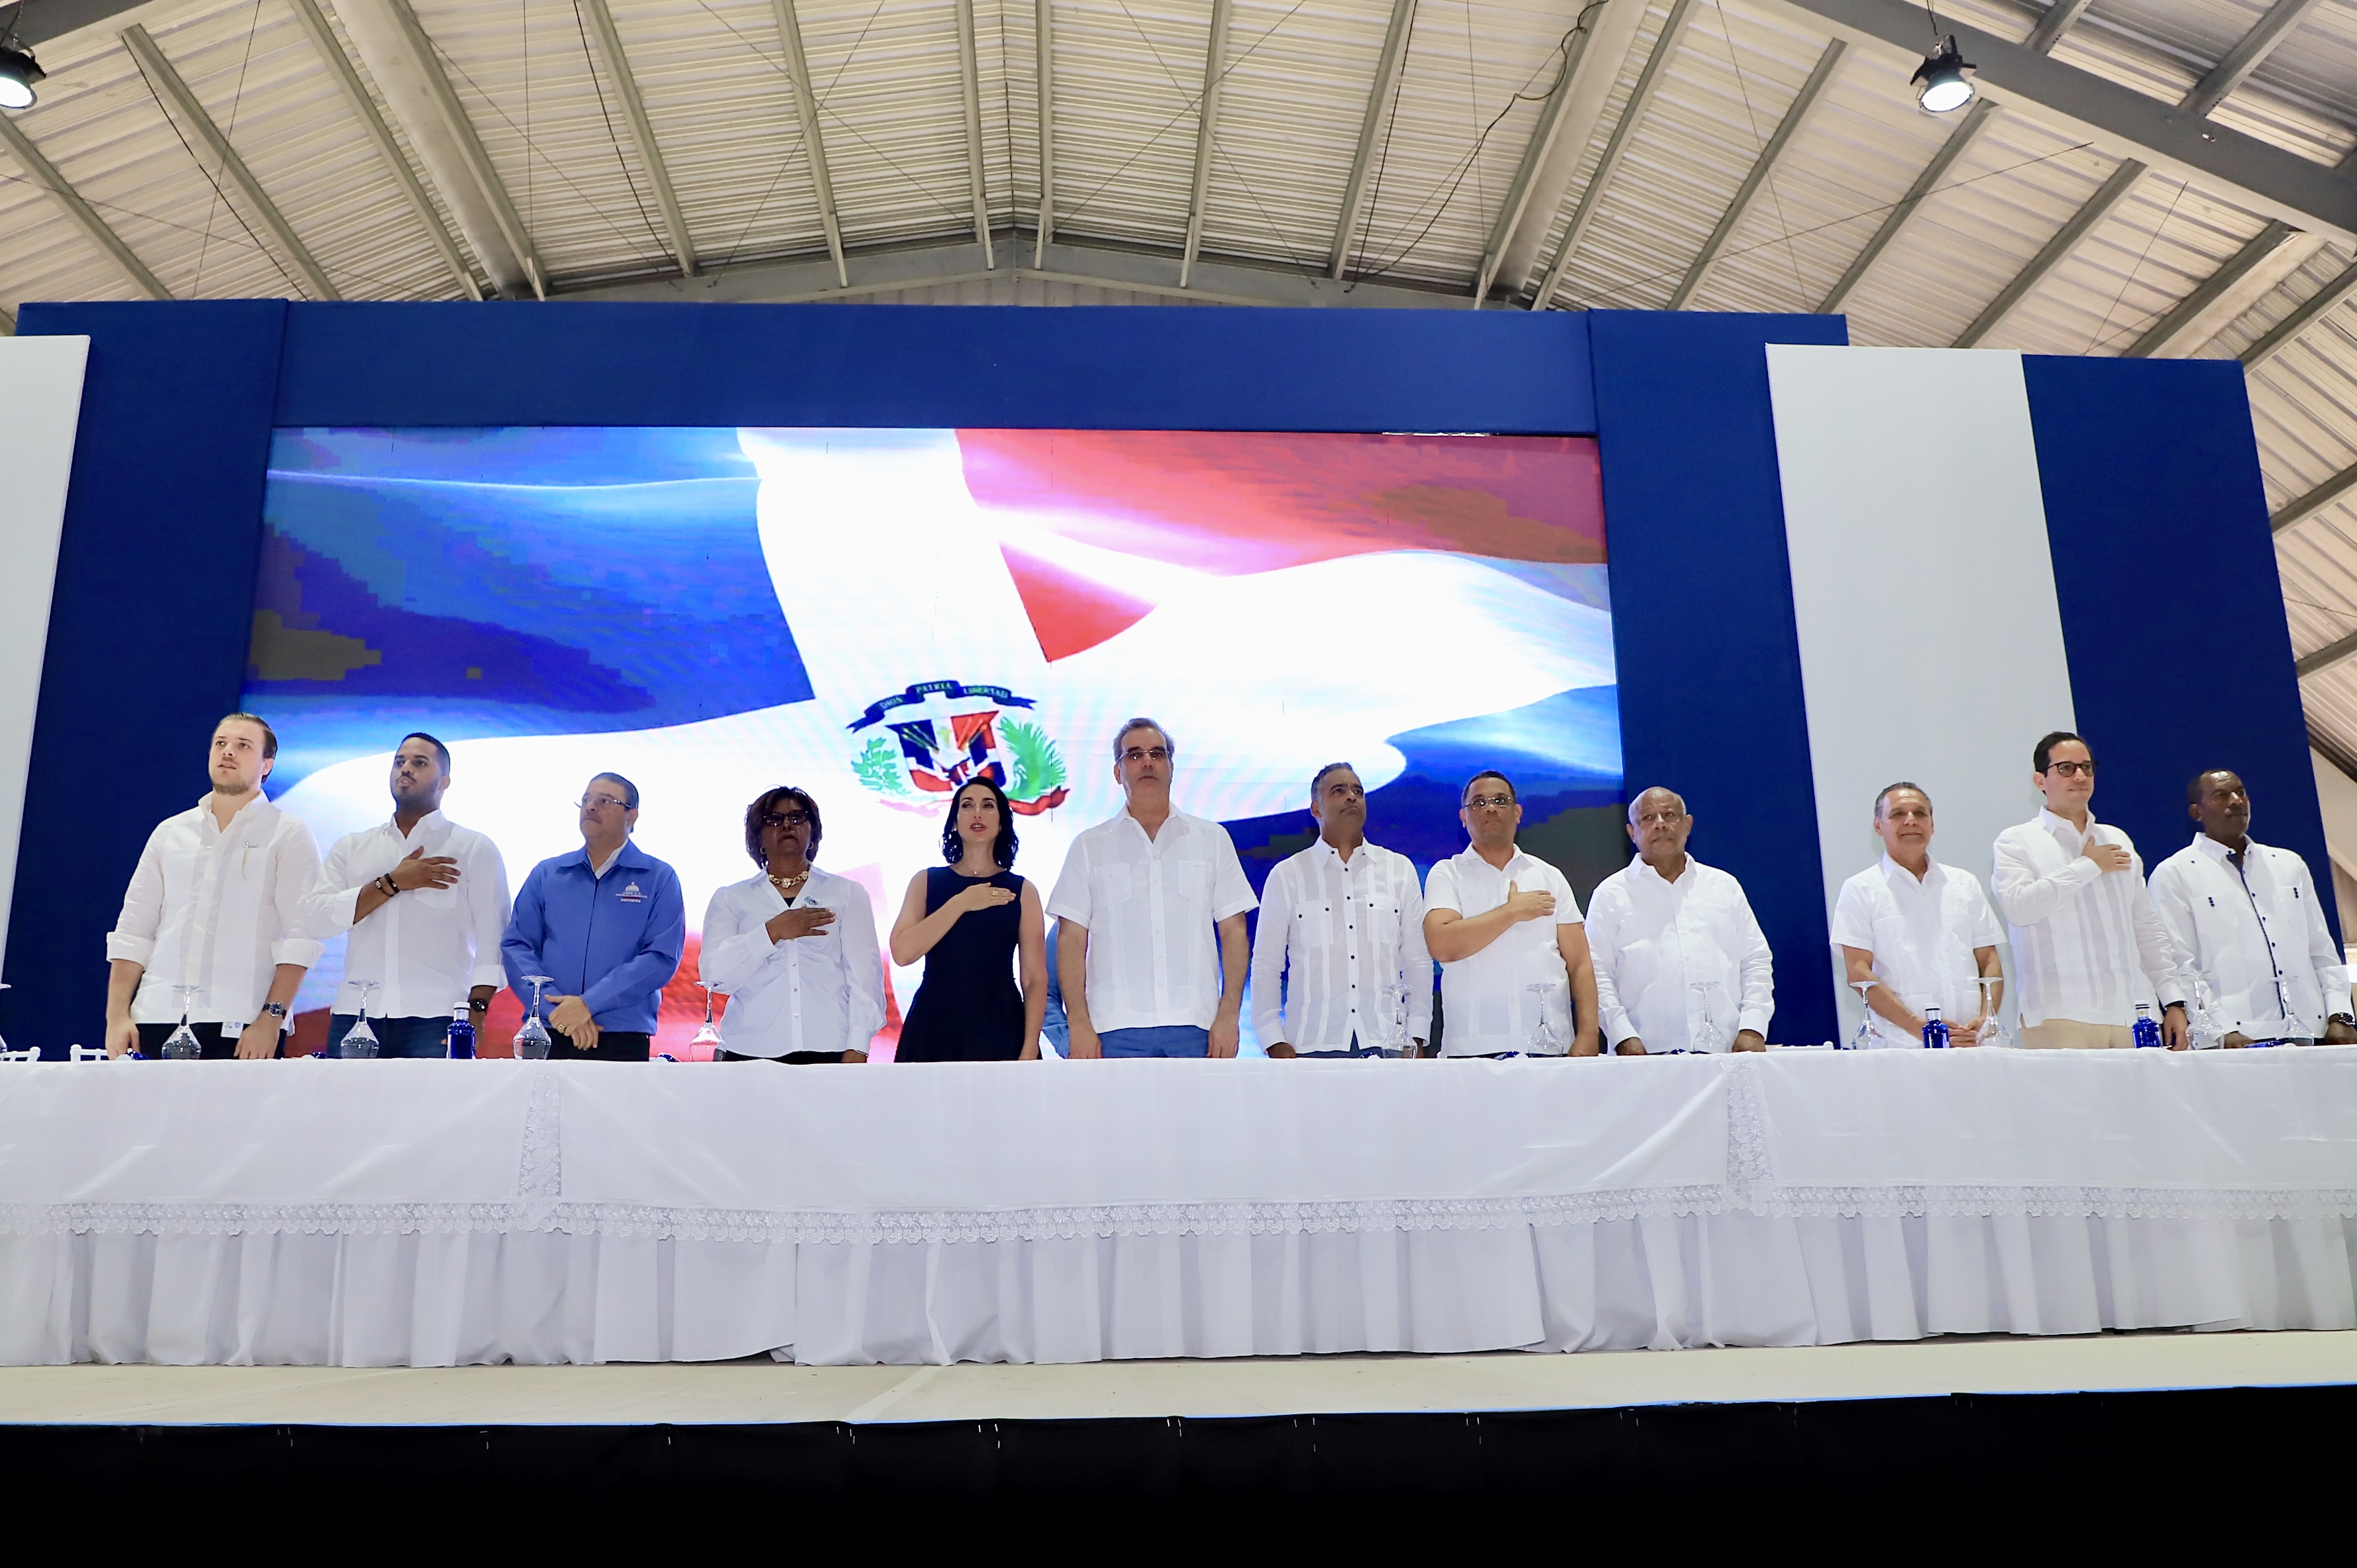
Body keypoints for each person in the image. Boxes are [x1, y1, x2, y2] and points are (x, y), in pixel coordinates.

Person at [105, 712, 321, 1059]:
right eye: (220, 743)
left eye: (243, 746)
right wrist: (117, 1016)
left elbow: (301, 937)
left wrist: (271, 1020)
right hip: (156, 1014)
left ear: (267, 764)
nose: (228, 752)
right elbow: (133, 930)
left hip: (243, 1021)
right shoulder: (171, 832)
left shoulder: (288, 833)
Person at [1048, 717, 1256, 1059]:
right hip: (1112, 1030)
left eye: (1157, 754)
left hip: (1197, 1027)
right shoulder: (1089, 847)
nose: (1147, 762)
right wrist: (1080, 1023)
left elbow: (1234, 931)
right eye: (1134, 755)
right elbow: (1071, 940)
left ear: (1171, 768)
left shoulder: (1212, 839)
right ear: (1118, 773)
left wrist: (1229, 1015)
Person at [303, 733, 510, 1057]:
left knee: (432, 1096)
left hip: (437, 1016)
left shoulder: (473, 848)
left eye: (420, 762)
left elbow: (493, 937)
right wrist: (390, 883)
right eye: (399, 761)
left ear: (445, 782)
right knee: (345, 1094)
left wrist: (477, 1011)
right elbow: (316, 920)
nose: (406, 768)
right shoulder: (353, 847)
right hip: (356, 1013)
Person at [1992, 732, 2191, 1049]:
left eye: (2086, 767)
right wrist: (2089, 865)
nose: (2080, 776)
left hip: (2133, 1012)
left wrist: (2173, 1001)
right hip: (2060, 1015)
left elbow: (2146, 927)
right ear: (2040, 780)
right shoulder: (2017, 841)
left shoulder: (2117, 839)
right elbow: (2020, 908)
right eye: (2066, 768)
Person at [2148, 770, 2355, 1047]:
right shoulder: (2175, 873)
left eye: (2240, 793)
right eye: (2221, 795)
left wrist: (2340, 1015)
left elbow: (2321, 951)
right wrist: (2221, 1030)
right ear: (2197, 812)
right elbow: (2181, 965)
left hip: (2312, 1030)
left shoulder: (2288, 864)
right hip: (2238, 1038)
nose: (2236, 801)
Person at [1250, 762, 1433, 1059]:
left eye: (1358, 791)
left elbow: (1418, 962)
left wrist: (1417, 1035)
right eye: (1338, 791)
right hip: (1309, 1046)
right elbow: (1266, 965)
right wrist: (1273, 1040)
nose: (1351, 797)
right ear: (1316, 809)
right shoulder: (1287, 876)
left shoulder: (1399, 870)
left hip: (1387, 1041)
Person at [500, 772, 684, 1060]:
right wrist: (557, 1011)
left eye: (605, 801)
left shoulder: (658, 877)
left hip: (621, 1033)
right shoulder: (548, 874)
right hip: (548, 1028)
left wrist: (588, 1004)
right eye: (586, 800)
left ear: (632, 816)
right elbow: (517, 947)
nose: (591, 807)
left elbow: (661, 957)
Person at [700, 785, 885, 1063]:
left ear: (813, 834)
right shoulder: (731, 897)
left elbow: (865, 977)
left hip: (829, 1048)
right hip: (749, 1049)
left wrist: (858, 1046)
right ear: (758, 838)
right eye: (774, 819)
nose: (787, 825)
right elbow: (716, 978)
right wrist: (772, 932)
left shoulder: (846, 893)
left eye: (798, 818)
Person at [1422, 770, 1600, 1057]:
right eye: (1479, 802)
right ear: (1463, 817)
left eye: (1500, 800)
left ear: (1518, 813)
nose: (1490, 808)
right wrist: (1512, 911)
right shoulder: (1447, 873)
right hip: (1471, 1050)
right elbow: (1441, 944)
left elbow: (1580, 963)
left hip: (1550, 1045)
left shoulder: (1549, 876)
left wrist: (1589, 1033)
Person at [1584, 786, 1772, 1054]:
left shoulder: (1723, 886)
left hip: (1727, 1050)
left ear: (1688, 825)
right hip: (1644, 1056)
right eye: (1648, 818)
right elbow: (1596, 974)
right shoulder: (1611, 894)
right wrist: (1622, 1037)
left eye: (1669, 815)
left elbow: (1755, 961)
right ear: (1632, 832)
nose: (1660, 824)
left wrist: (1753, 1028)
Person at [1831, 782, 2003, 1048]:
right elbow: (1858, 973)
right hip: (1902, 1046)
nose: (1911, 820)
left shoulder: (1964, 883)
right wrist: (1922, 1029)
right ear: (1878, 826)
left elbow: (1989, 959)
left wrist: (1985, 1021)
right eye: (1898, 814)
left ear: (1932, 825)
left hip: (1972, 1042)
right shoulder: (1860, 889)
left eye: (1920, 813)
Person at [890, 776, 1047, 1061]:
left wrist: (1029, 1046)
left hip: (1000, 1024)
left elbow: (1035, 978)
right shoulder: (926, 881)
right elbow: (902, 953)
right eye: (967, 805)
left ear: (1002, 822)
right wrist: (962, 902)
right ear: (954, 822)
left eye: (987, 806)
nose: (977, 813)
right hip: (933, 1026)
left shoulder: (1023, 890)